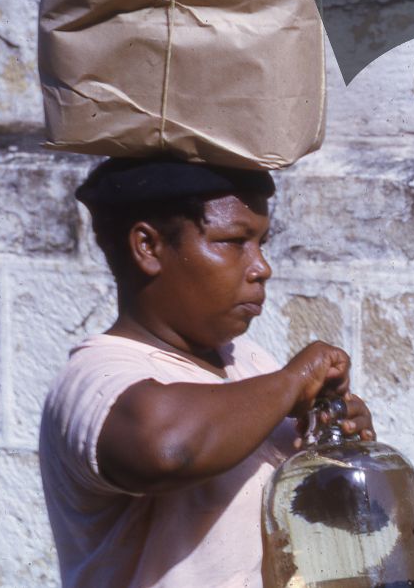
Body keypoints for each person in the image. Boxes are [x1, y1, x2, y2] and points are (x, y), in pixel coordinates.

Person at [39, 157, 375, 588]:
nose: (261, 267)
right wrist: (291, 383)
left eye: (261, 243)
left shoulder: (248, 362)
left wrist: (339, 444)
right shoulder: (94, 377)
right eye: (234, 241)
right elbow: (167, 448)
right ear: (148, 246)